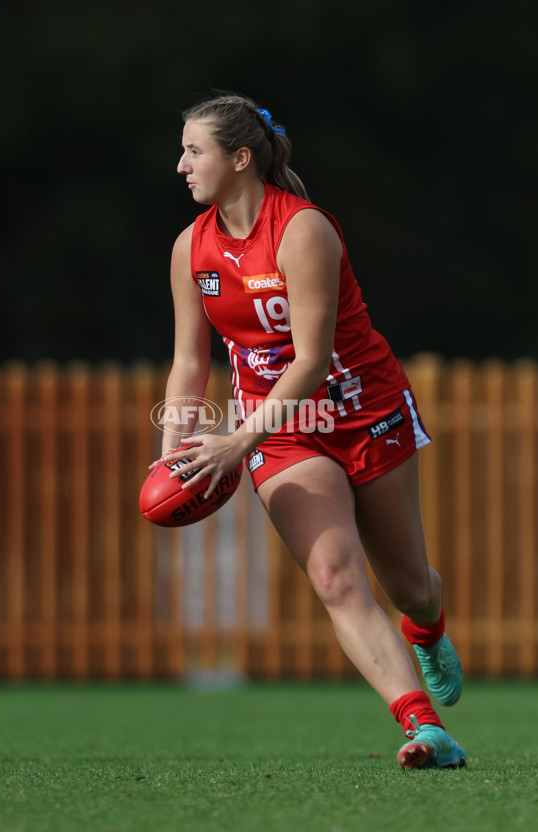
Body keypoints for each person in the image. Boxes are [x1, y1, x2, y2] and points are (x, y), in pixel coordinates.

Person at [156, 92, 466, 770]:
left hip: (361, 410)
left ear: (240, 159)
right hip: (285, 432)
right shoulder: (191, 249)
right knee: (334, 575)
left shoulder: (303, 231)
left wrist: (238, 440)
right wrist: (173, 452)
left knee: (409, 581)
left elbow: (312, 360)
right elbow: (188, 363)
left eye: (194, 151)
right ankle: (423, 727)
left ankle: (428, 623)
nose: (180, 164)